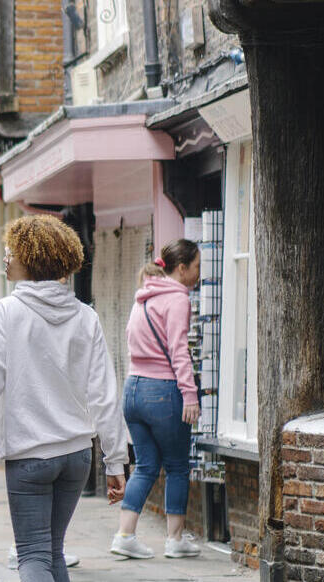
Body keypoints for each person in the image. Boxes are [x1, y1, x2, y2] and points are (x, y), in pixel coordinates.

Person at [0, 215, 129, 582]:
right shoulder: (86, 317)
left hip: (30, 456)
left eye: (13, 251)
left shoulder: (7, 313)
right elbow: (104, 394)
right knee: (52, 552)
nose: (6, 257)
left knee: (34, 556)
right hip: (76, 456)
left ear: (33, 258)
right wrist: (115, 461)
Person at [110, 239, 202, 560]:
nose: (198, 273)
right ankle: (175, 540)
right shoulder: (177, 300)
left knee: (145, 466)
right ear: (181, 268)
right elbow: (178, 351)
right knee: (177, 466)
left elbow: (130, 339)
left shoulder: (143, 298)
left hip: (133, 389)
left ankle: (125, 534)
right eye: (197, 267)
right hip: (163, 392)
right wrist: (189, 395)